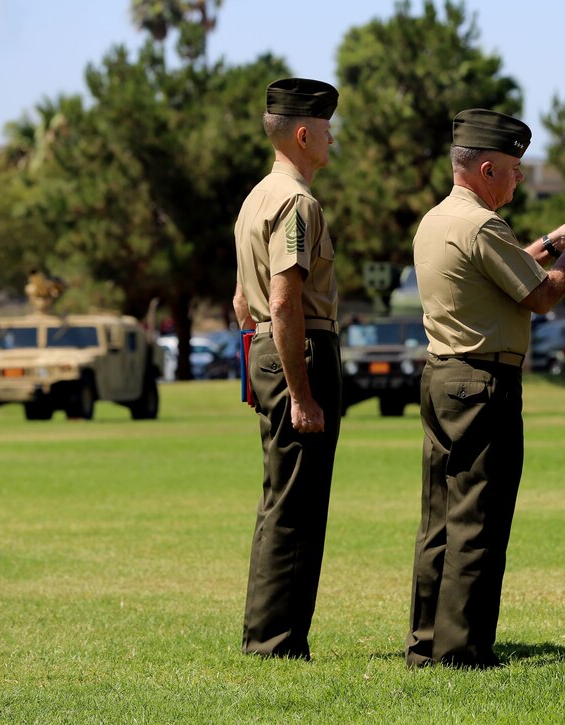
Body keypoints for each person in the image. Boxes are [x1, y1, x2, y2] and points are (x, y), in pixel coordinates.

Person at [405, 108, 565, 669]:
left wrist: (549, 240)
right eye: (514, 168)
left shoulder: (438, 220)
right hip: (483, 382)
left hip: (441, 378)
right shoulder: (483, 226)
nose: (519, 178)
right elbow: (540, 297)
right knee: (480, 518)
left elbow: (503, 270)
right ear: (487, 168)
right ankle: (463, 649)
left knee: (438, 519)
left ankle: (426, 643)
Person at [233, 77, 342, 660]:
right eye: (325, 129)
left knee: (281, 496)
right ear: (302, 134)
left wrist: (259, 362)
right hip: (301, 352)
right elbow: (282, 299)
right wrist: (299, 391)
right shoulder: (297, 202)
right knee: (298, 503)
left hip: (270, 351)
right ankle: (277, 643)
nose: (331, 138)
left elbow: (240, 302)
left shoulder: (255, 198)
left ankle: (266, 636)